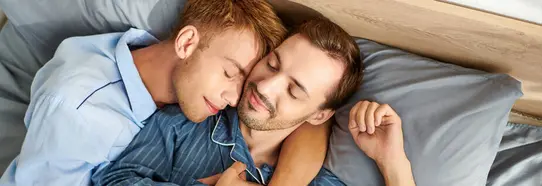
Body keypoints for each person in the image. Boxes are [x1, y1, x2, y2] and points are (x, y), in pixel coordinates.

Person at [0, 0, 327, 185]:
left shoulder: (197, 80)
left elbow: (310, 122)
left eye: (242, 84)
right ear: (186, 42)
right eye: (230, 74)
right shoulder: (80, 112)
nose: (232, 99)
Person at [93, 18, 415, 186]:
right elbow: (114, 181)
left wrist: (394, 164)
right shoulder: (182, 124)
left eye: (294, 90)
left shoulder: (316, 180)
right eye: (273, 64)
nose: (265, 86)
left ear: (319, 116)